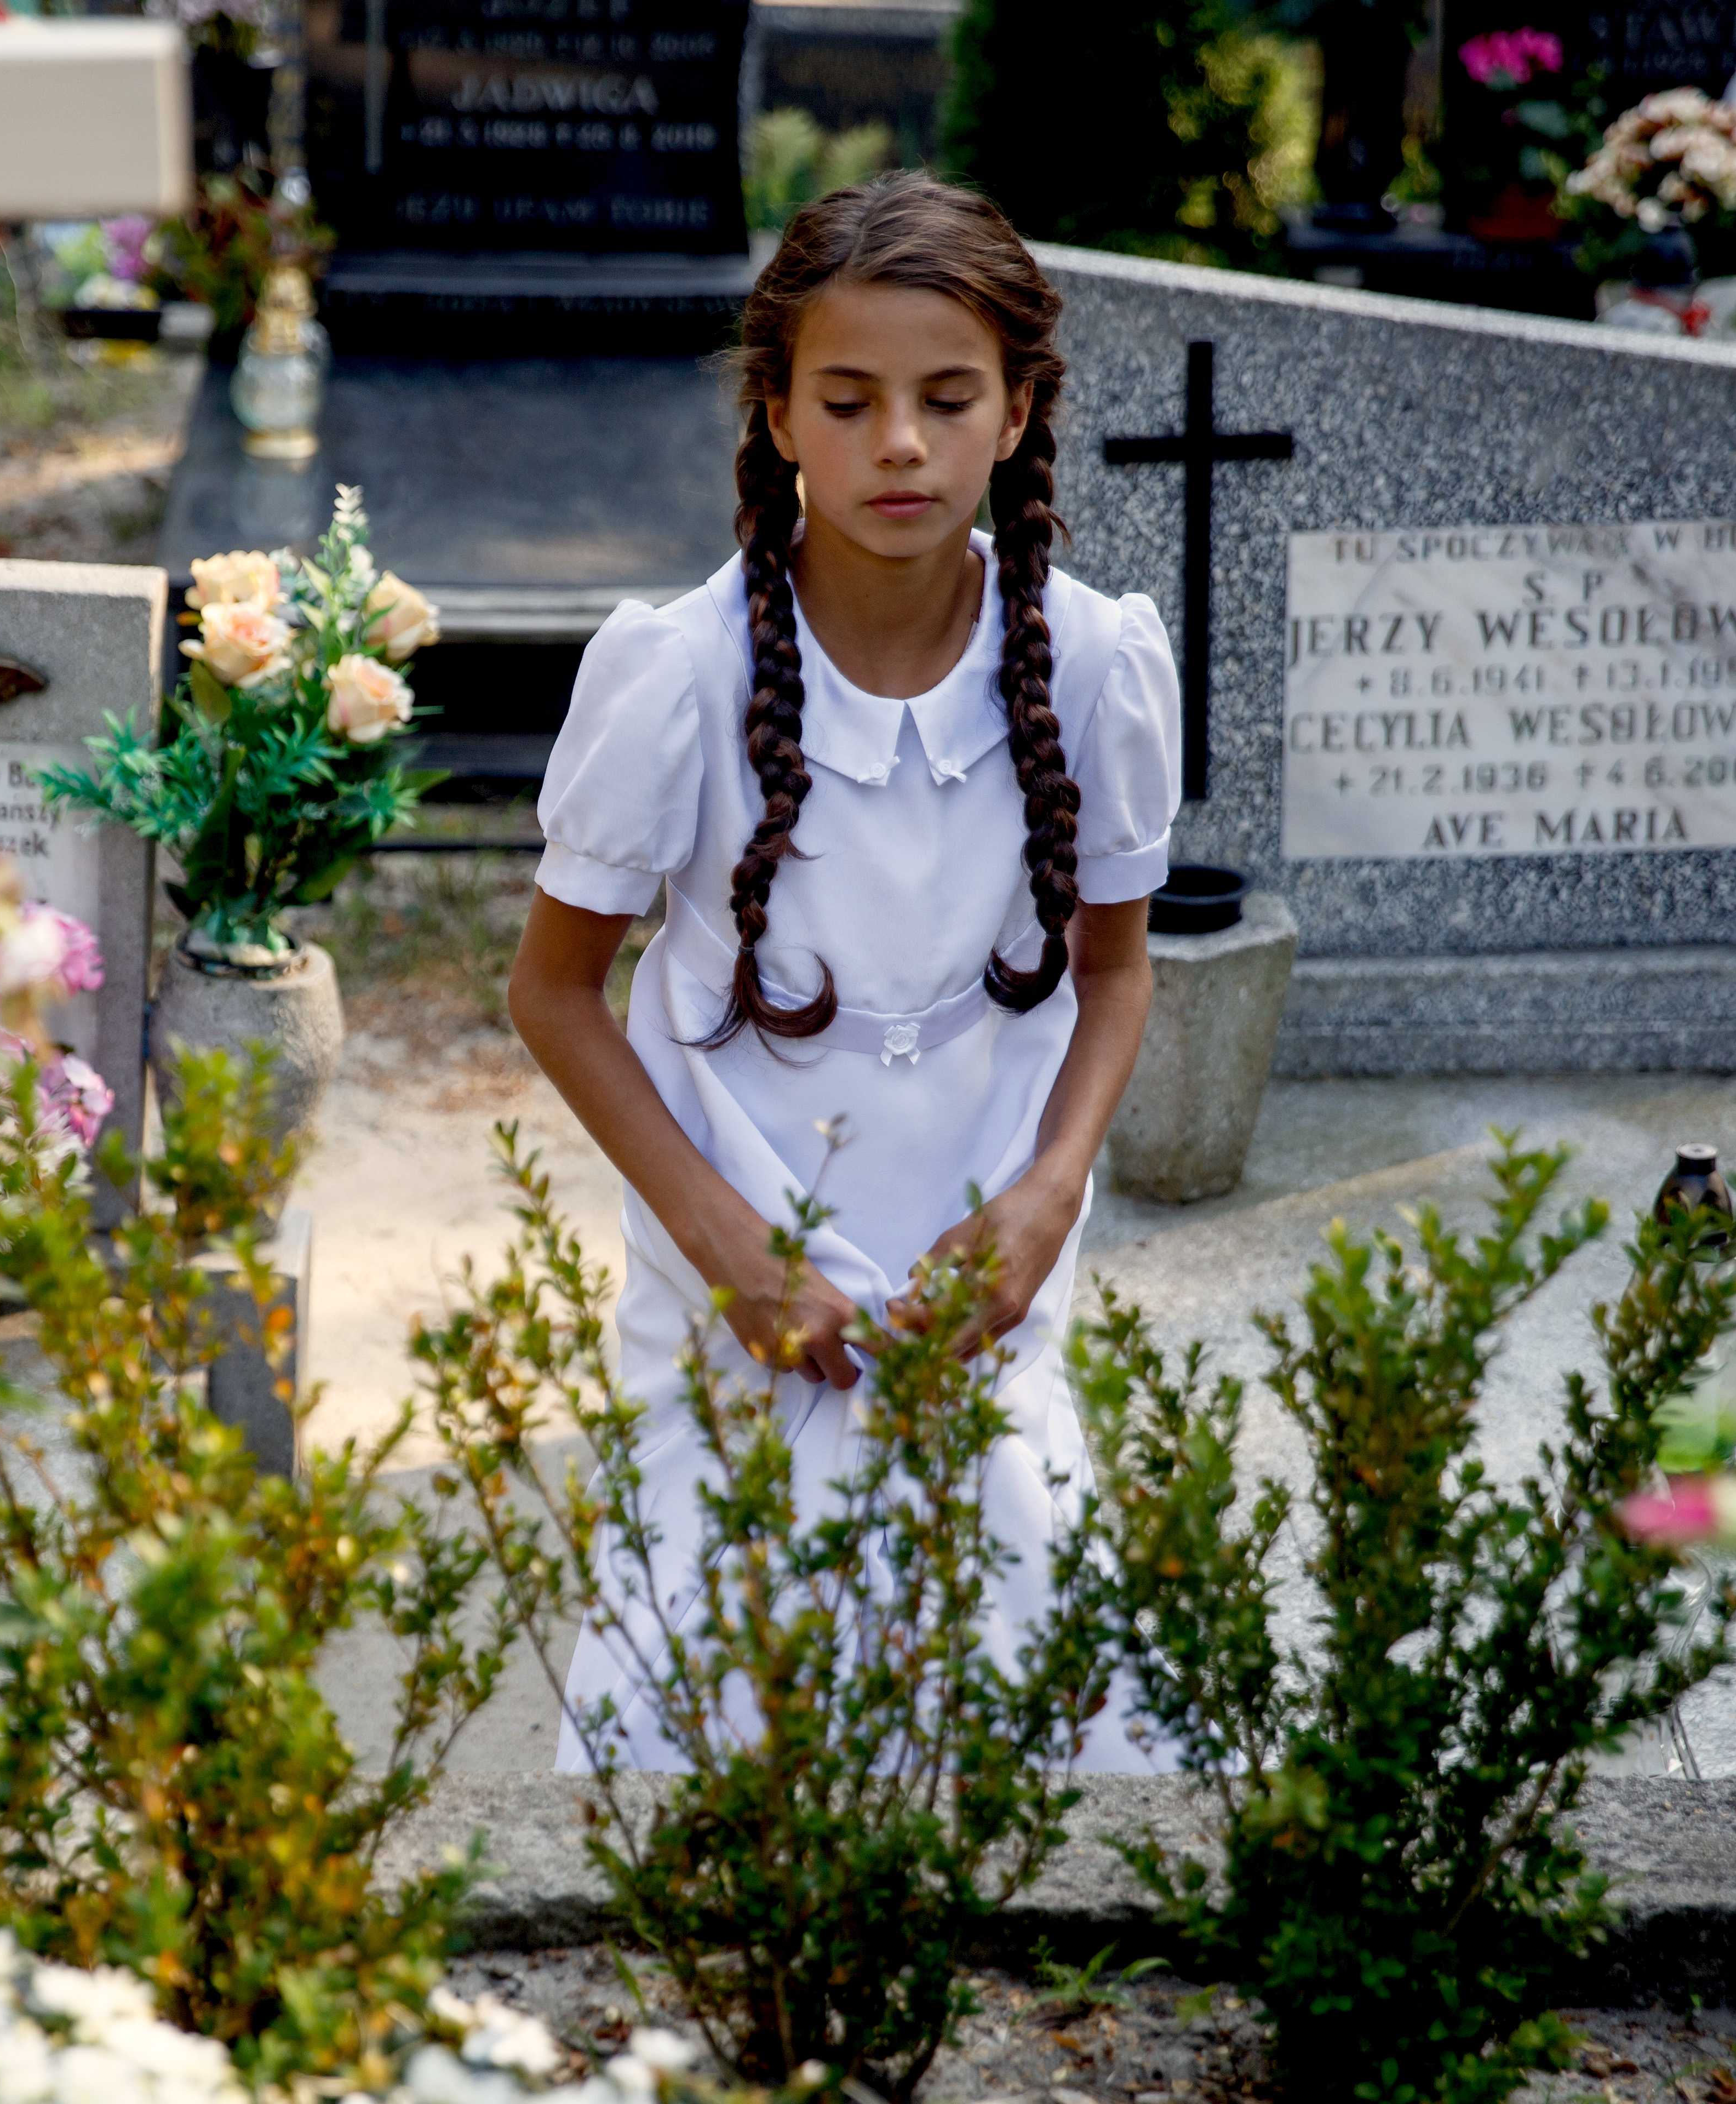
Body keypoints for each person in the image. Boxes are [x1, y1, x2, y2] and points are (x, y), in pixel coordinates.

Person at [505, 173, 1182, 1774]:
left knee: (1033, 1728)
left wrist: (1052, 1193)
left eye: (948, 400)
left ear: (1016, 413)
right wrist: (724, 1243)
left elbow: (1119, 969)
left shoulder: (1091, 661)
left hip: (976, 1250)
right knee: (706, 1723)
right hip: (734, 1260)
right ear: (778, 416)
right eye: (850, 400)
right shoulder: (676, 676)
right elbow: (552, 992)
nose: (901, 444)